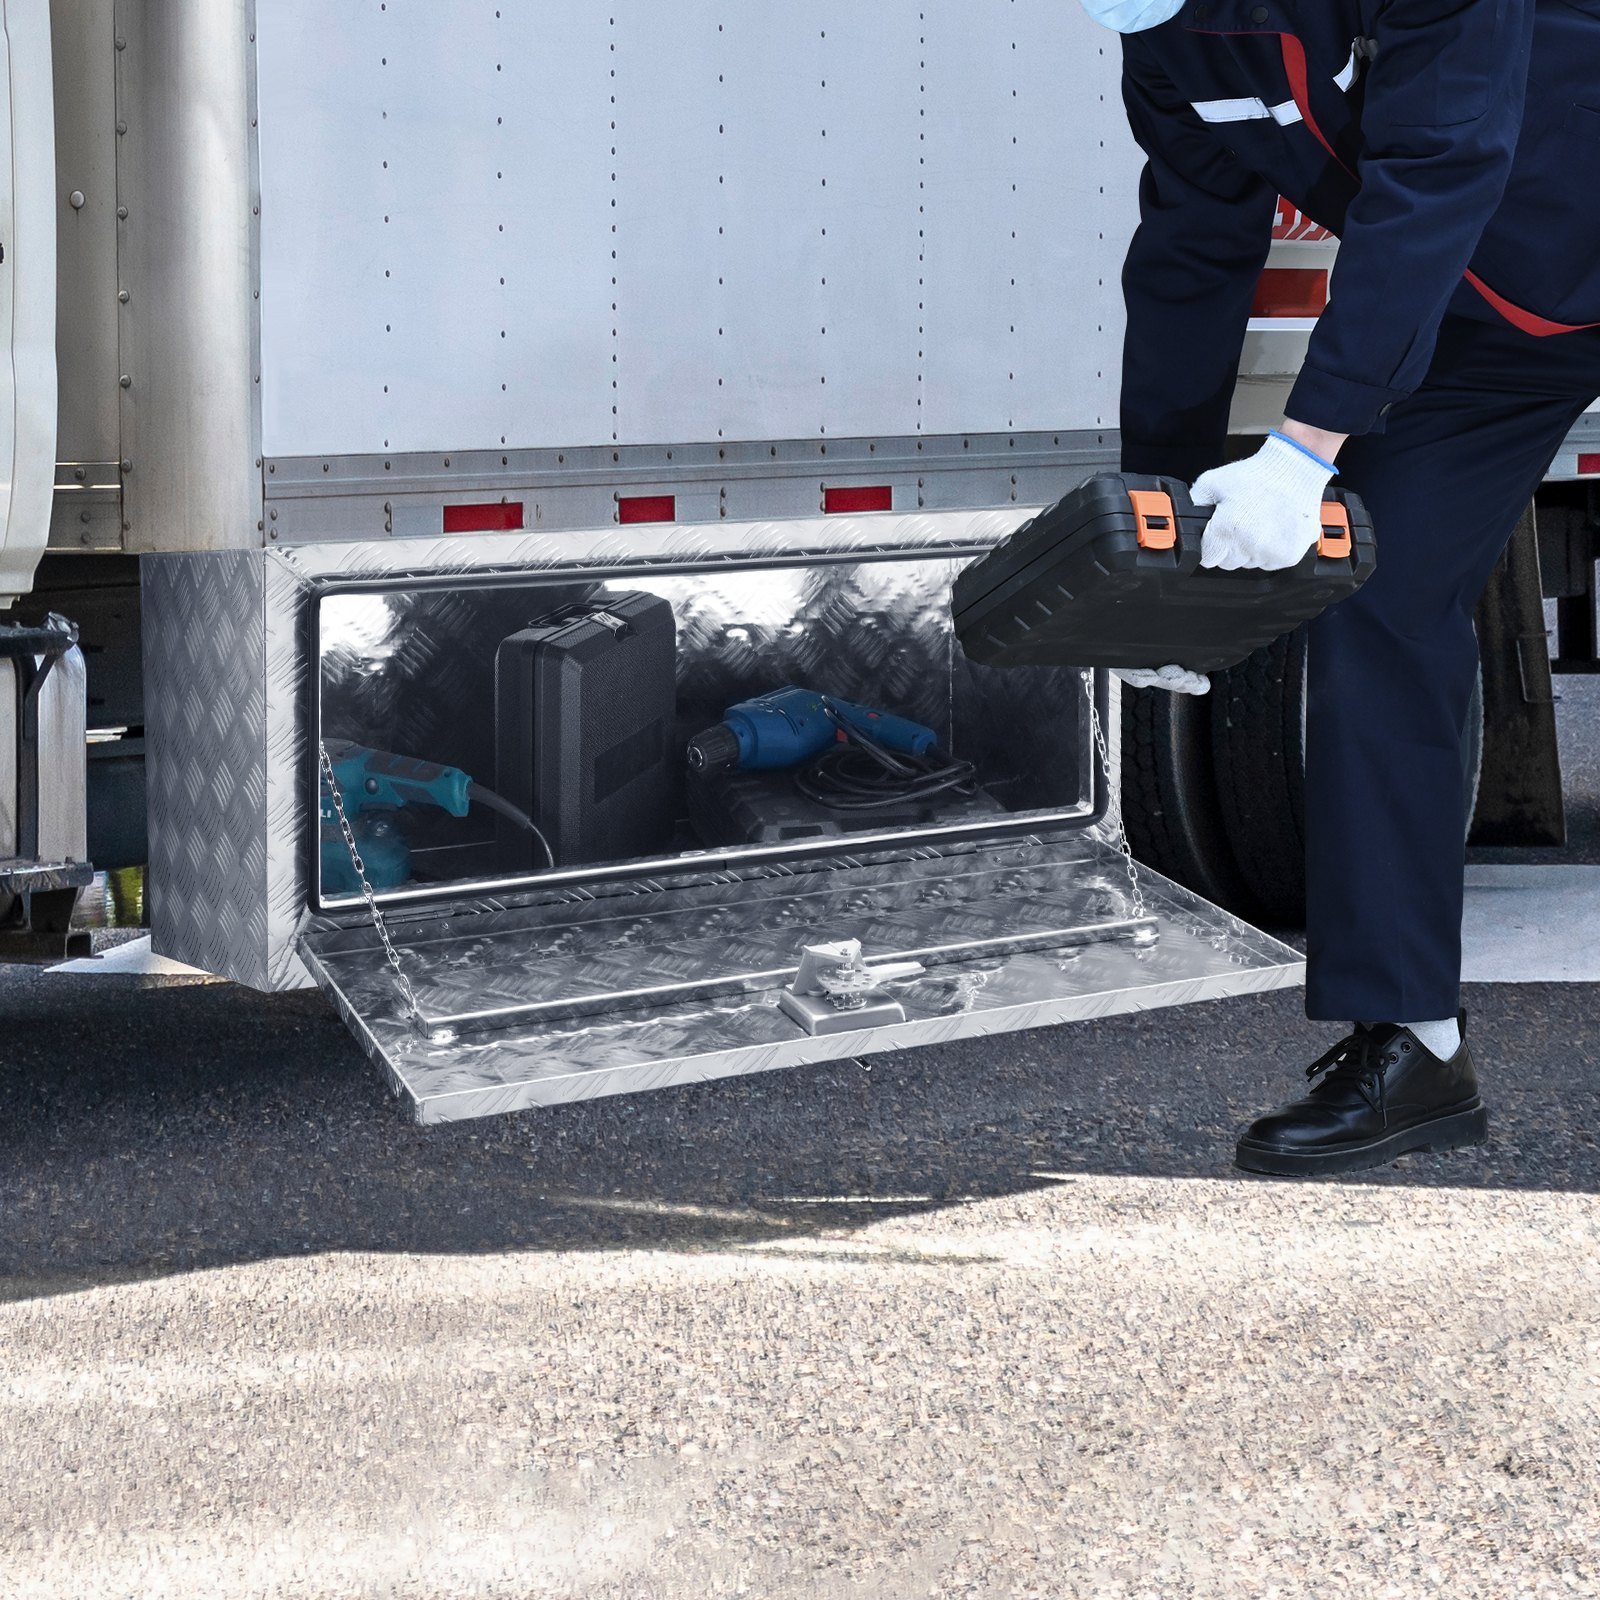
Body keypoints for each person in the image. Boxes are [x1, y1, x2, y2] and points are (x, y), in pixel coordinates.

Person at [1084, 0, 1600, 1175]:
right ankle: (1413, 1045)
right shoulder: (1166, 48)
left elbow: (1441, 155)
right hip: (1494, 323)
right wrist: (1157, 551)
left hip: (1547, 219)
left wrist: (1307, 442)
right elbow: (1191, 254)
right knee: (1374, 591)